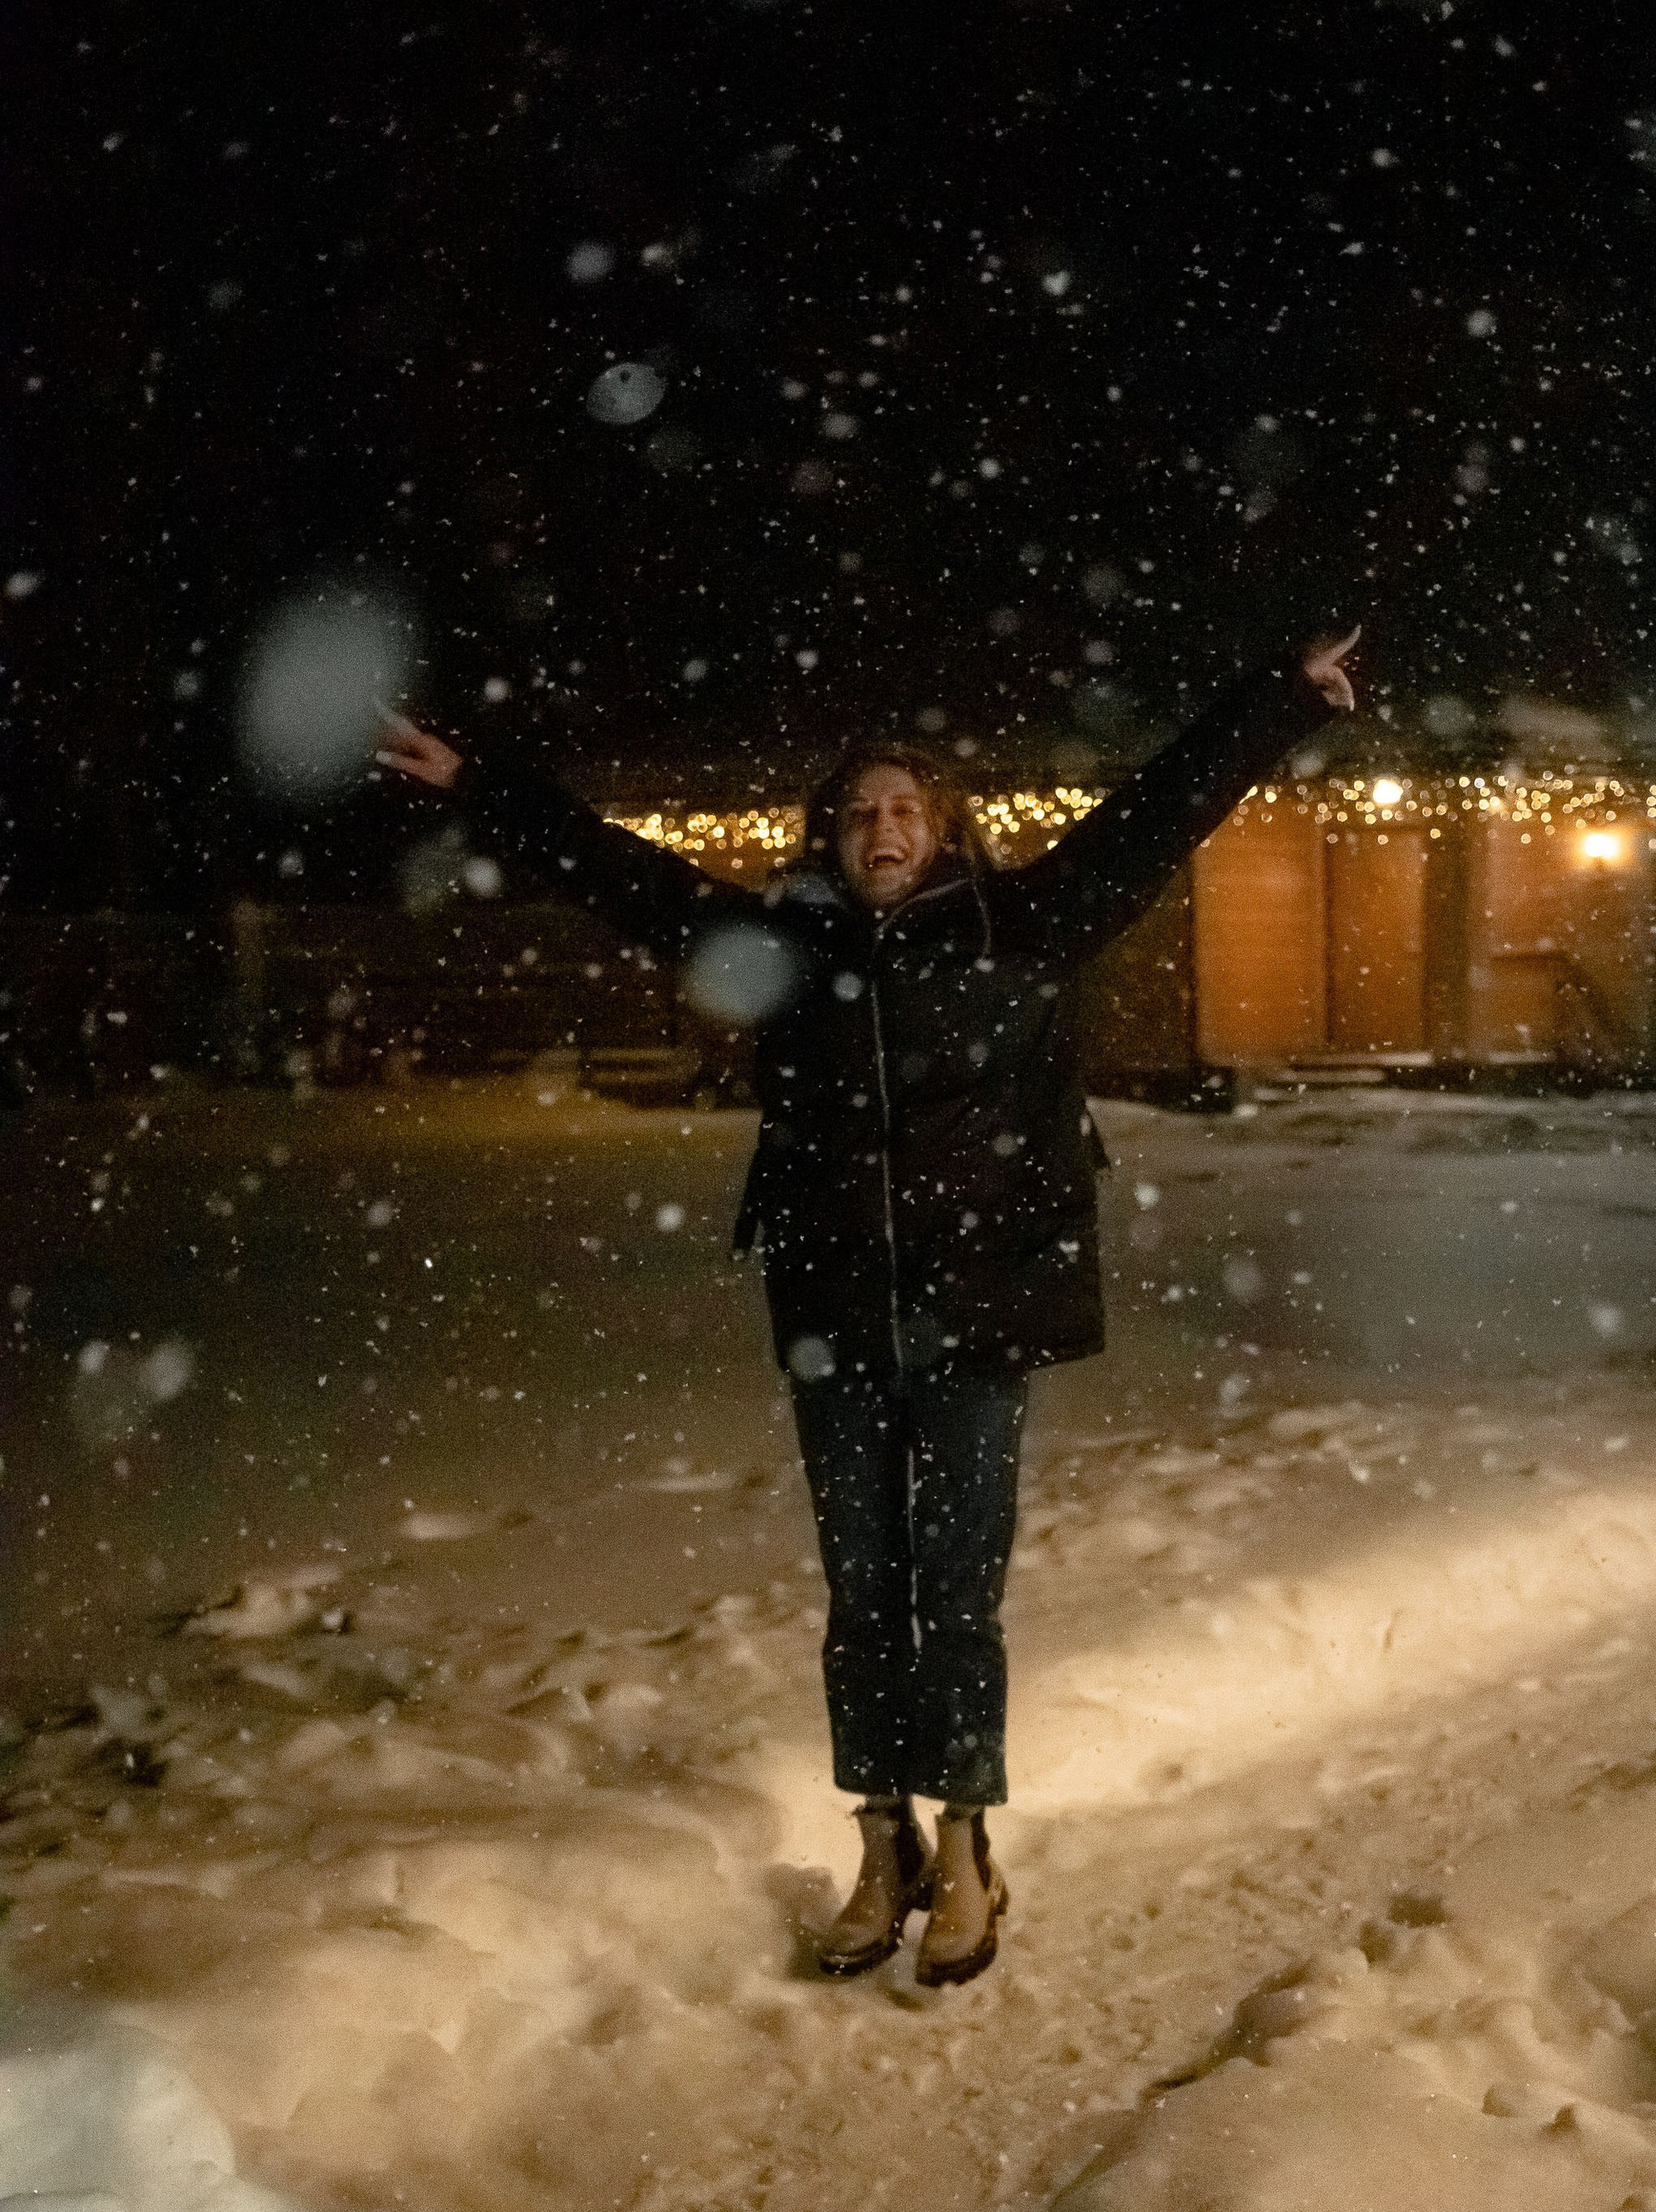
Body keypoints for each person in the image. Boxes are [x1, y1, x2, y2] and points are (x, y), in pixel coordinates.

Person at [379, 631, 1358, 1980]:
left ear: (941, 828)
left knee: (954, 1595)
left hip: (976, 1316)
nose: (881, 829)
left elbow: (1160, 809)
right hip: (835, 1312)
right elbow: (624, 876)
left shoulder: (1028, 919)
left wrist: (1276, 697)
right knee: (862, 1595)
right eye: (858, 814)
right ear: (829, 838)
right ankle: (880, 1836)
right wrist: (482, 785)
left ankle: (965, 1845)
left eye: (904, 809)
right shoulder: (780, 948)